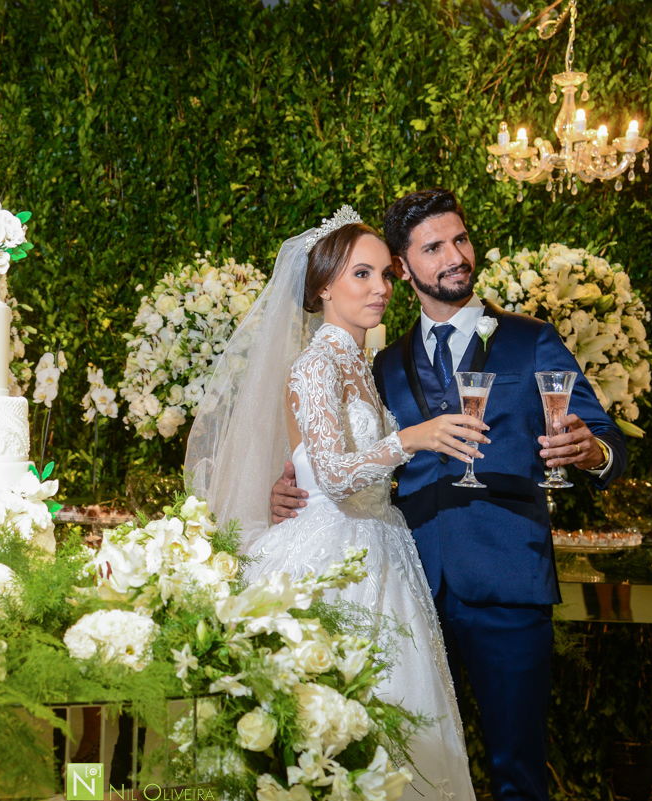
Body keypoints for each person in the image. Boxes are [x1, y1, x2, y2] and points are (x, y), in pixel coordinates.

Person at [269, 189, 627, 801]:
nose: (454, 255)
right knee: (410, 766)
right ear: (405, 269)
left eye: (459, 239)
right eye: (433, 247)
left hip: (506, 580)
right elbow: (347, 454)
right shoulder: (380, 361)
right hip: (405, 589)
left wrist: (592, 451)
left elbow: (607, 439)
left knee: (518, 769)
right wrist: (293, 483)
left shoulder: (529, 339)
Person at [186, 206, 482, 801]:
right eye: (361, 275)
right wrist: (413, 437)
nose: (380, 289)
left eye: (385, 276)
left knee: (390, 717)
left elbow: (318, 463)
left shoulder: (358, 362)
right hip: (333, 553)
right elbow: (335, 474)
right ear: (324, 286)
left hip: (380, 544)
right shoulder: (316, 363)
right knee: (332, 726)